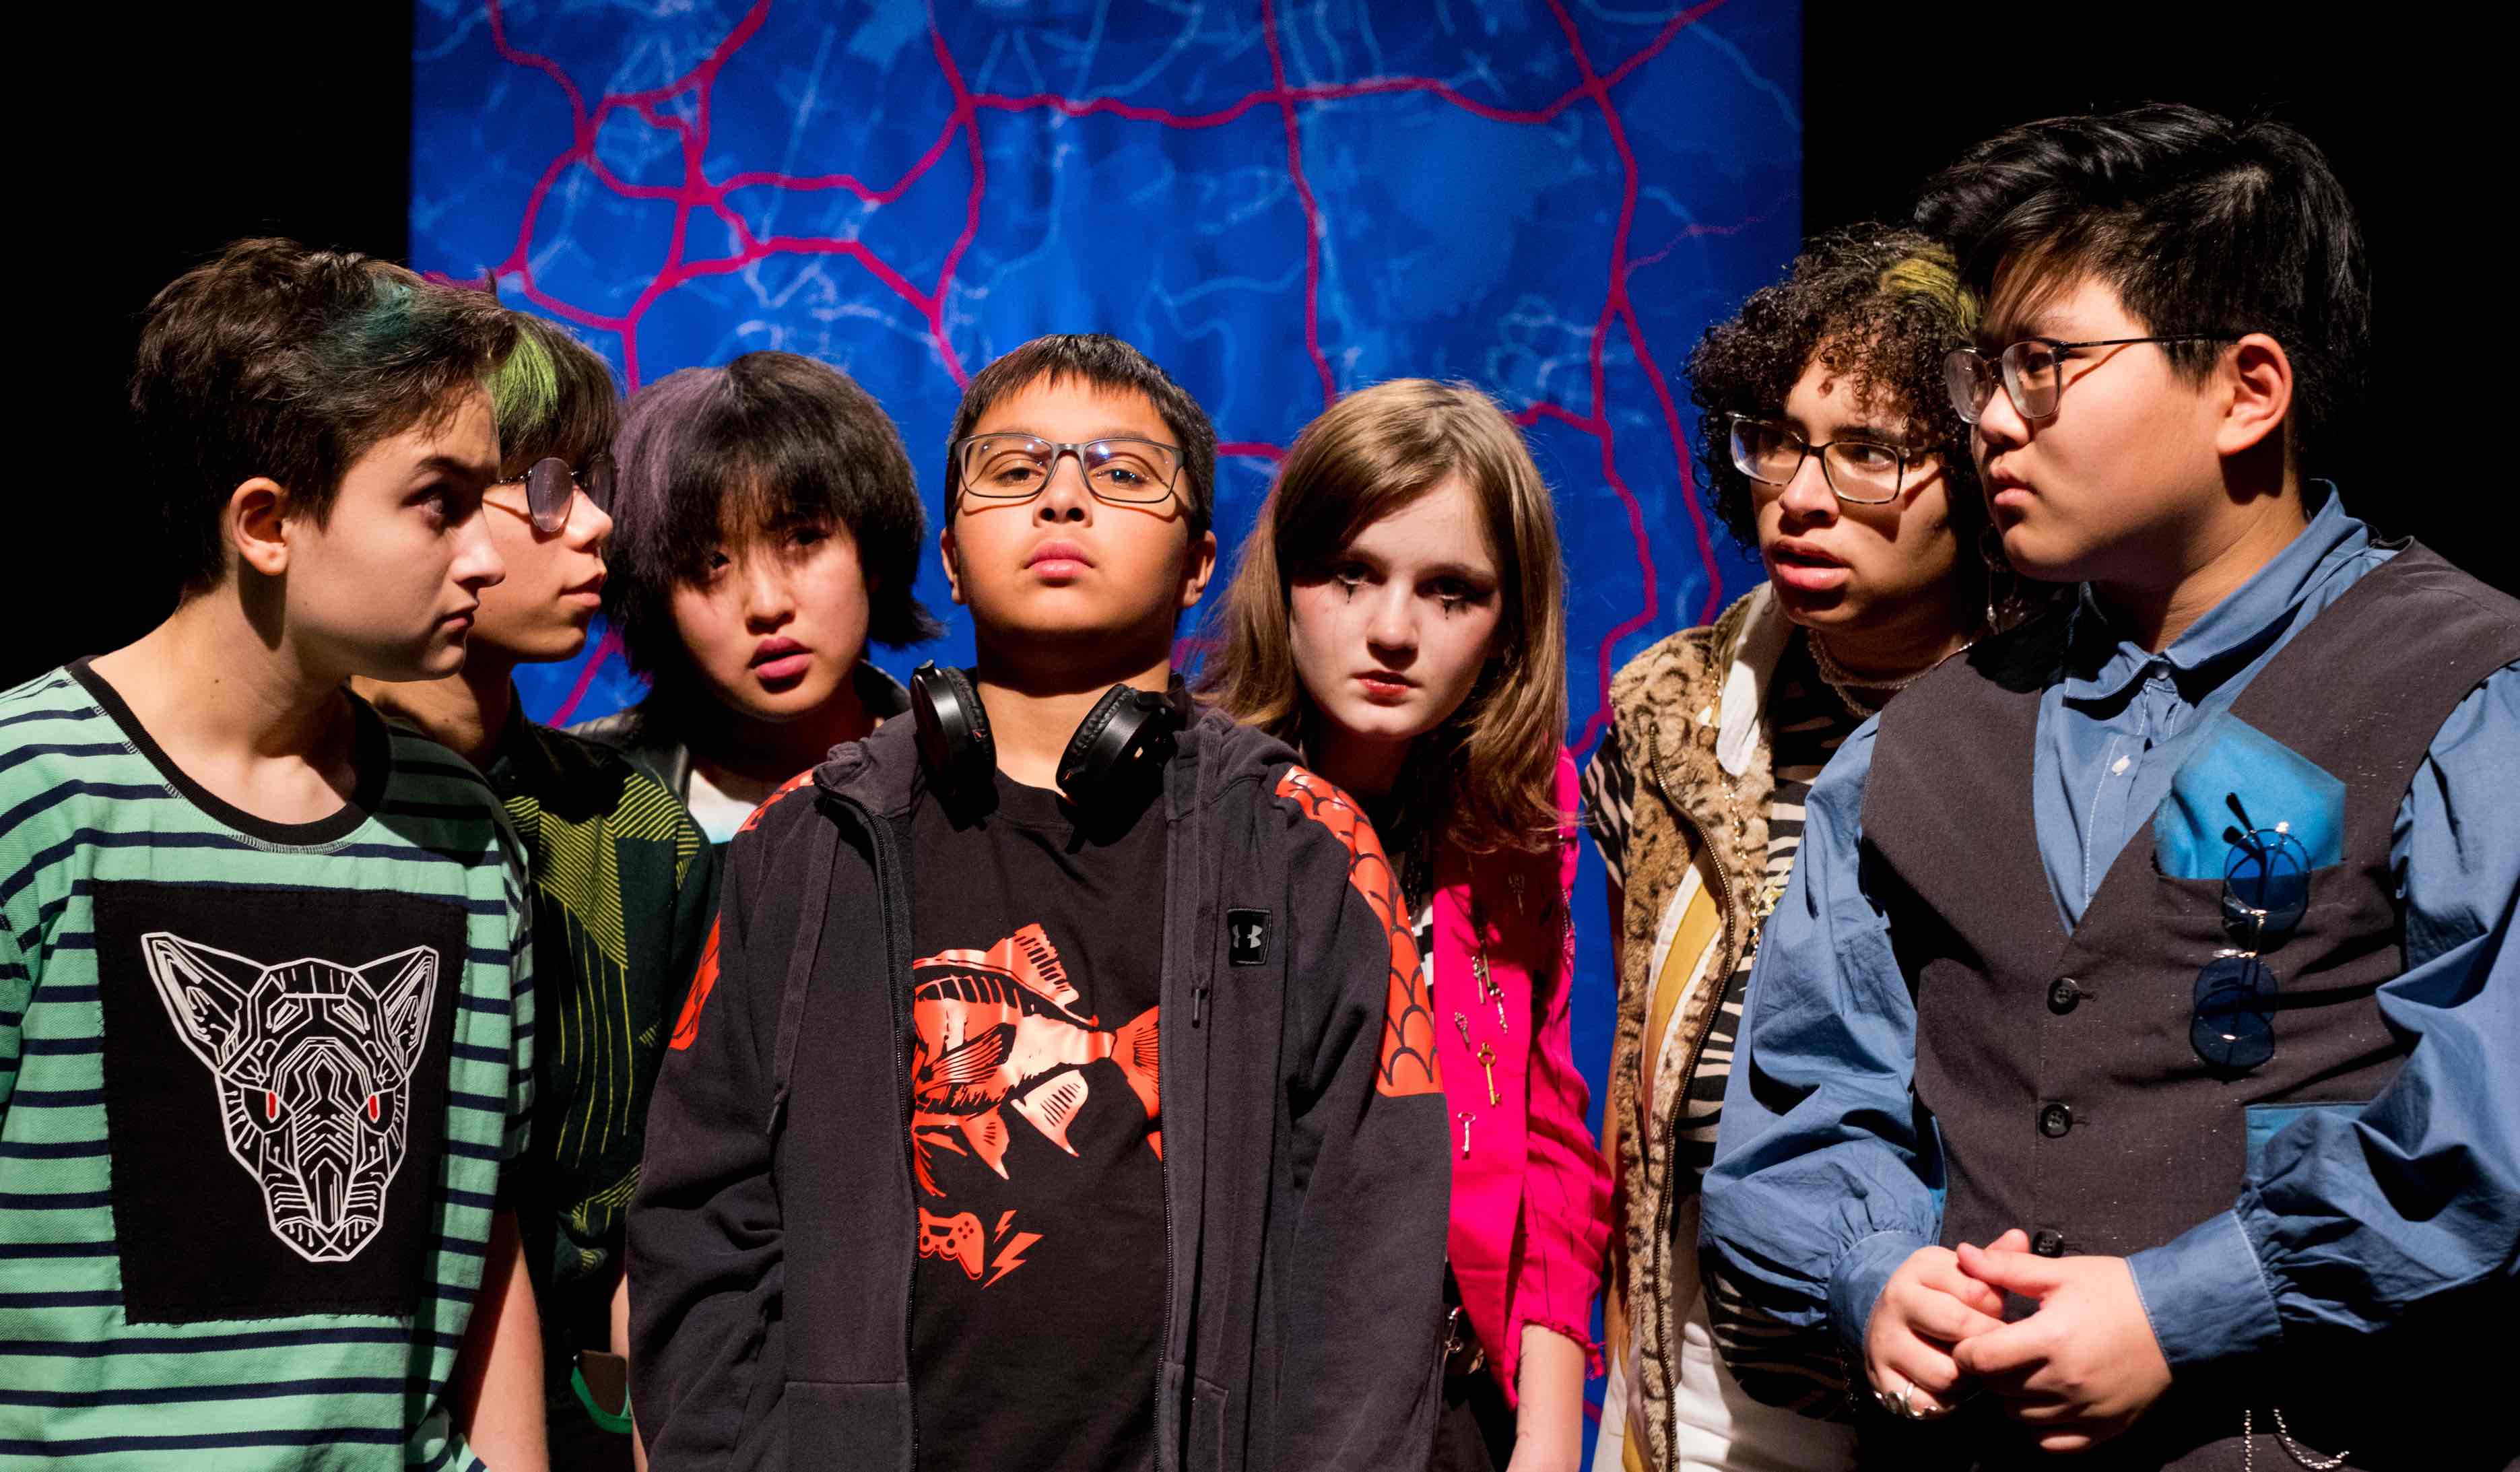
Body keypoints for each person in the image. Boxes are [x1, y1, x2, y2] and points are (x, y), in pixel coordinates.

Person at [1701, 105, 2519, 1471]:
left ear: (2245, 391)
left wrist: (2187, 1303)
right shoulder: (1916, 744)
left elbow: (2491, 1117)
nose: (1989, 418)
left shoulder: (2459, 686)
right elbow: (1805, 1096)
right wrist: (1876, 1273)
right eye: (1981, 371)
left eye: (2042, 365)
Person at [628, 333, 1452, 1471]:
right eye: (1014, 470)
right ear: (951, 560)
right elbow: (700, 1225)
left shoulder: (1304, 848)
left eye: (1122, 472)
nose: (1062, 497)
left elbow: (1374, 1260)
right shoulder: (805, 842)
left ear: (1199, 562)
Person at [0, 239, 546, 1467]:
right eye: (439, 502)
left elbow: (486, 1228)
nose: (485, 555)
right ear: (267, 522)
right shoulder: (31, 793)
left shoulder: (464, 834)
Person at [1579, 227, 2013, 1472]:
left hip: (1964, 1381)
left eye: (1869, 452)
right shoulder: (1667, 716)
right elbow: (1640, 1063)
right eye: (1777, 440)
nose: (1803, 496)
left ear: (1978, 464)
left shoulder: (2067, 721)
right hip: (1706, 1376)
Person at [1201, 378, 1611, 1472]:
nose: (1391, 630)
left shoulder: (1518, 815)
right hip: (1248, 1410)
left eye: (1449, 591)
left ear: (1508, 623)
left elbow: (1544, 1133)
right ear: (1284, 580)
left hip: (1453, 1408)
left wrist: (1547, 1436)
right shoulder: (1193, 808)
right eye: (1350, 574)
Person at [356, 314, 718, 1471]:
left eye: (591, 484)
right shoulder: (287, 810)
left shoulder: (635, 832)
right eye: (550, 487)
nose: (598, 522)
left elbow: (677, 1206)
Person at [574, 351, 938, 844]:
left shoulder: (968, 777)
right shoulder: (574, 804)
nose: (767, 606)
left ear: (872, 554)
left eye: (803, 539)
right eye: (712, 562)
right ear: (654, 595)